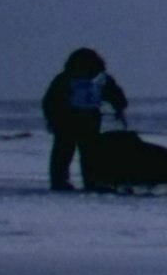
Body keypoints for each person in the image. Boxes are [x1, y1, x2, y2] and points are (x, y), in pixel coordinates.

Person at [40, 47, 129, 192]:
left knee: (65, 154)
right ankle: (90, 182)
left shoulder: (65, 78)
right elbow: (117, 96)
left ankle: (61, 182)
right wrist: (120, 107)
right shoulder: (100, 78)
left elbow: (49, 101)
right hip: (84, 121)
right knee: (88, 154)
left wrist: (51, 118)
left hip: (69, 121)